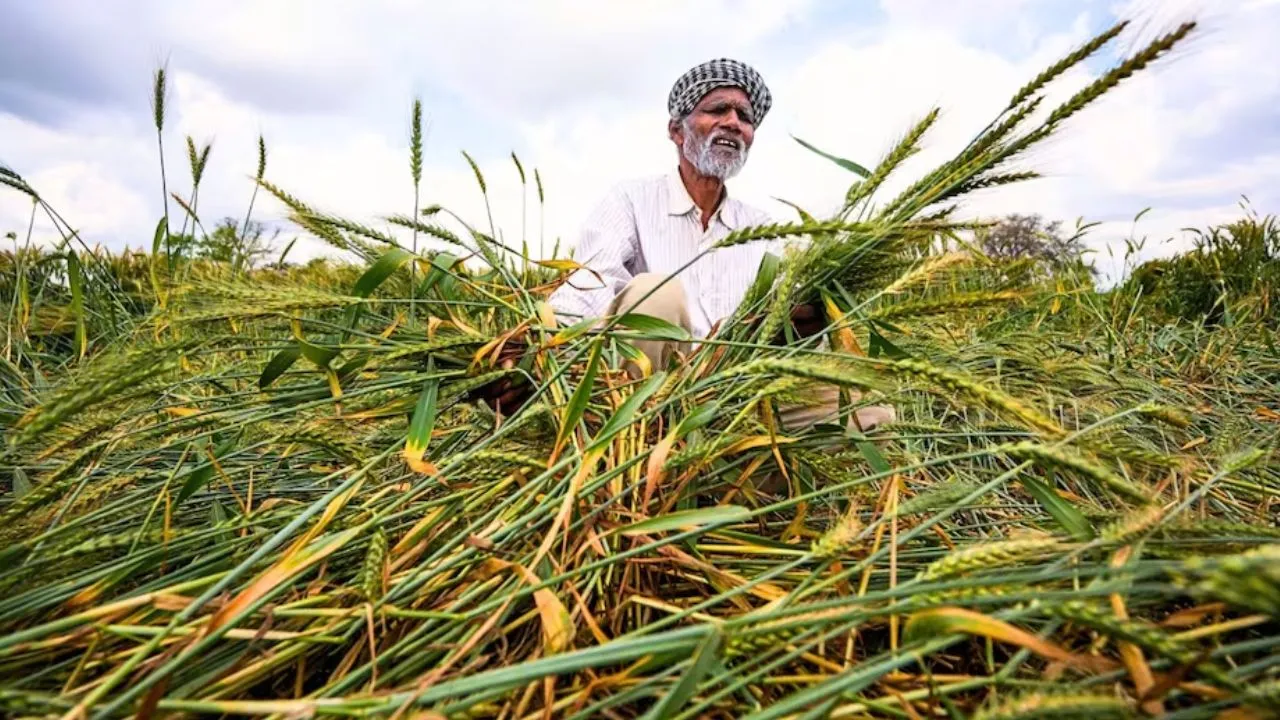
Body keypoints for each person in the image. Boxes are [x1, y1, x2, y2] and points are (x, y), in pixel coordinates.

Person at [478, 58, 895, 433]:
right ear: (676, 131)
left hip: (733, 393)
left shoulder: (764, 229)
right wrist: (536, 347)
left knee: (872, 409)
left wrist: (802, 329)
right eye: (717, 110)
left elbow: (789, 329)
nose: (733, 122)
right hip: (645, 389)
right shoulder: (632, 200)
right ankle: (639, 445)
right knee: (655, 292)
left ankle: (730, 473)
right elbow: (591, 283)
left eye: (745, 117)